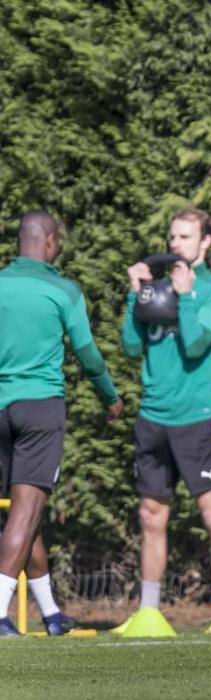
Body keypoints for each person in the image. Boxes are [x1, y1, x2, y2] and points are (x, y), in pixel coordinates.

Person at [113, 208, 211, 635]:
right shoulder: (156, 288)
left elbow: (198, 344)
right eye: (173, 236)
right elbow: (132, 348)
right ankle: (148, 612)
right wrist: (136, 294)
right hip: (153, 415)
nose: (176, 244)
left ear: (205, 242)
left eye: (186, 237)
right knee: (151, 513)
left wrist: (185, 297)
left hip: (195, 418)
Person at [0, 211, 123, 636]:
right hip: (39, 409)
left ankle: (51, 614)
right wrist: (111, 398)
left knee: (24, 516)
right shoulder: (63, 289)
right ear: (49, 241)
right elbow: (88, 356)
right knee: (25, 512)